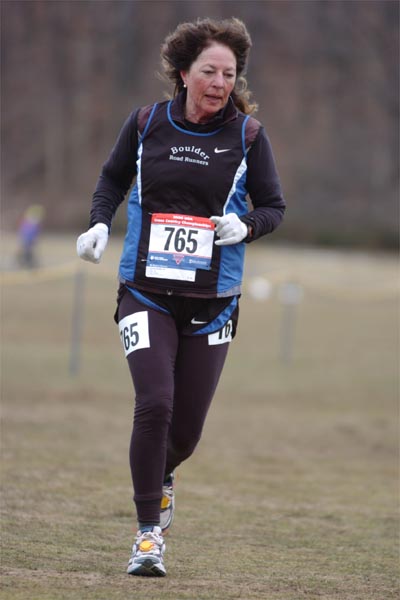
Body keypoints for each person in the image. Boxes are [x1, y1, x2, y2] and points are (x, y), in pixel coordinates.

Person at [76, 17, 285, 577]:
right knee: (155, 405)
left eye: (230, 73)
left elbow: (273, 206)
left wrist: (247, 227)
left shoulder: (248, 136)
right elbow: (111, 180)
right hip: (146, 292)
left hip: (214, 300)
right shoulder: (146, 122)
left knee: (184, 433)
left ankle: (161, 476)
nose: (220, 81)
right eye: (210, 70)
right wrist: (100, 222)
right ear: (184, 72)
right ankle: (148, 537)